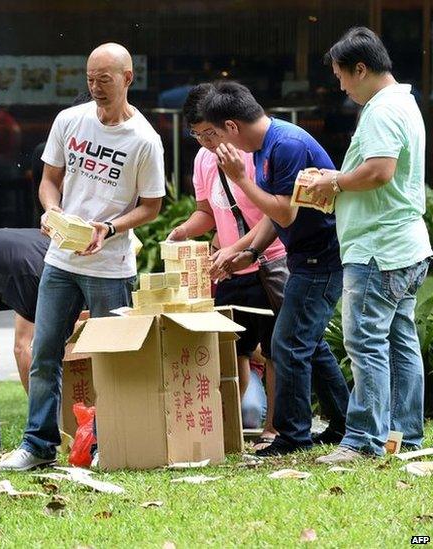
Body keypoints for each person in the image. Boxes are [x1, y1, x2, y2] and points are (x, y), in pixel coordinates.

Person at [0, 43, 165, 471]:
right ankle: (38, 445)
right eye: (90, 79)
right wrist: (52, 211)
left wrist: (108, 228)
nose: (96, 87)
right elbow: (49, 181)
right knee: (45, 352)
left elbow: (151, 205)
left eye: (104, 79)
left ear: (127, 79)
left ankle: (113, 442)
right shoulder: (68, 121)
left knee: (112, 359)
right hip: (61, 260)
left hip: (111, 266)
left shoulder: (144, 140)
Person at [201, 81, 350, 457]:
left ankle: (292, 435)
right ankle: (344, 422)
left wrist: (240, 179)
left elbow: (285, 211)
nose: (214, 145)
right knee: (307, 344)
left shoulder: (286, 145)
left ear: (232, 127)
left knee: (287, 343)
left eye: (215, 135)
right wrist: (250, 252)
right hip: (305, 257)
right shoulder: (271, 144)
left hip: (322, 258)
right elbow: (275, 214)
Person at [309, 28, 431, 463]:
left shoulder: (381, 110)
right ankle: (405, 434)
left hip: (378, 249)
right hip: (405, 244)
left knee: (365, 342)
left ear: (361, 69)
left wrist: (333, 180)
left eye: (342, 76)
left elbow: (380, 170)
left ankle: (363, 440)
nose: (340, 87)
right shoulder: (404, 101)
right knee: (399, 340)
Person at [166, 83, 285, 450]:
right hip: (229, 269)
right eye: (197, 134)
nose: (204, 141)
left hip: (269, 261)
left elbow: (273, 212)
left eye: (209, 132)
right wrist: (183, 231)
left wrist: (236, 248)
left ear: (227, 124)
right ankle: (229, 427)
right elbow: (207, 212)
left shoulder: (251, 153)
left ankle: (273, 428)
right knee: (233, 350)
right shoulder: (204, 160)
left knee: (274, 349)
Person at [0, 227, 50, 392]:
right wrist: (37, 407)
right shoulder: (34, 275)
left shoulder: (55, 250)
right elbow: (21, 348)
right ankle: (38, 414)